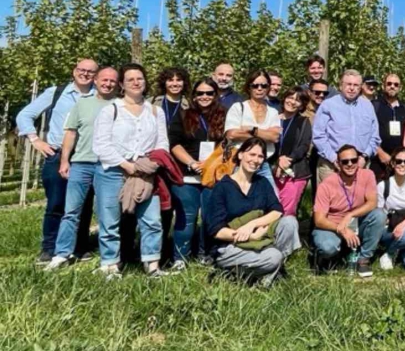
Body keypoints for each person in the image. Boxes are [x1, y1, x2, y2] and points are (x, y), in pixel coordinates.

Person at [16, 58, 97, 264]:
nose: (85, 74)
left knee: (85, 203)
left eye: (90, 71)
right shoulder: (56, 93)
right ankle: (49, 248)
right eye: (82, 70)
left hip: (86, 156)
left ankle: (79, 247)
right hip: (57, 154)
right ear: (74, 71)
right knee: (56, 203)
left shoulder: (100, 94)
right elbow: (25, 116)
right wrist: (36, 141)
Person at [91, 63, 168, 278]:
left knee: (152, 220)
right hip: (113, 171)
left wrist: (149, 164)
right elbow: (101, 145)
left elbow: (162, 143)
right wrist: (127, 165)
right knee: (110, 220)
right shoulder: (111, 110)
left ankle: (152, 265)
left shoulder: (155, 111)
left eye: (140, 79)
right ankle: (110, 264)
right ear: (122, 85)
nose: (136, 82)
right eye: (130, 79)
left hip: (144, 172)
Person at [43, 67, 117, 271]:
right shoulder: (81, 104)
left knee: (107, 213)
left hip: (109, 165)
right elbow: (71, 134)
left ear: (117, 84)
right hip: (81, 163)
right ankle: (61, 253)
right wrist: (65, 160)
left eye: (112, 81)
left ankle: (109, 259)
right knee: (71, 212)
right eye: (104, 80)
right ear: (96, 81)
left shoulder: (120, 106)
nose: (108, 83)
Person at [205, 137, 301, 285]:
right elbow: (216, 230)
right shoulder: (223, 187)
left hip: (259, 238)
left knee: (290, 222)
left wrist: (252, 225)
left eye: (260, 156)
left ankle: (267, 270)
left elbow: (277, 210)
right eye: (252, 154)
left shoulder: (261, 183)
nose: (256, 160)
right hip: (231, 245)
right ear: (240, 155)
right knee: (274, 257)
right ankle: (242, 273)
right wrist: (251, 237)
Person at [167, 78, 227, 268]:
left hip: (214, 176)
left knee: (210, 216)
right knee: (187, 217)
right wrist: (192, 163)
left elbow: (229, 145)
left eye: (209, 93)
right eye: (200, 93)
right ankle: (180, 258)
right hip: (187, 175)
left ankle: (205, 254)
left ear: (215, 95)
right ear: (194, 96)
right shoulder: (183, 116)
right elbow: (174, 144)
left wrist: (212, 164)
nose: (204, 97)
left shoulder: (225, 116)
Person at [311, 144, 384, 278]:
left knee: (379, 215)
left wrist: (350, 214)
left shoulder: (368, 175)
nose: (350, 164)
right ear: (338, 164)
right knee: (327, 246)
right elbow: (319, 220)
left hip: (357, 222)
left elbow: (372, 202)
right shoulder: (326, 184)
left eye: (354, 160)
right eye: (345, 161)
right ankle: (329, 258)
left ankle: (363, 259)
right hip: (332, 226)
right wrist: (342, 229)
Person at [311, 69, 380, 185]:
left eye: (356, 85)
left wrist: (364, 156)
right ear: (341, 85)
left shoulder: (368, 106)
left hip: (360, 165)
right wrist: (333, 158)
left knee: (358, 202)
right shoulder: (328, 105)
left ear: (361, 87)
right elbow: (318, 136)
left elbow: (375, 137)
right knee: (330, 201)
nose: (352, 88)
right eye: (348, 84)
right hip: (331, 165)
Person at [223, 70, 281, 192]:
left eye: (264, 85)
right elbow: (232, 134)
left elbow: (275, 137)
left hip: (263, 163)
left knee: (274, 200)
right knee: (238, 199)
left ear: (268, 88)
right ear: (248, 87)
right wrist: (265, 134)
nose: (259, 89)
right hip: (239, 164)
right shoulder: (238, 108)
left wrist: (251, 129)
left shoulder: (273, 112)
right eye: (255, 85)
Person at [271, 87, 313, 217]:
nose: (292, 102)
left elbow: (304, 146)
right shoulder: (272, 119)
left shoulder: (304, 121)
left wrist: (287, 160)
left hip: (294, 172)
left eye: (297, 100)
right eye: (290, 97)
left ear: (302, 105)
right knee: (269, 208)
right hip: (272, 170)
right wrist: (277, 161)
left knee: (286, 211)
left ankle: (285, 236)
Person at [372, 73, 405, 179]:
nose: (392, 86)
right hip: (378, 160)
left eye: (396, 84)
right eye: (389, 84)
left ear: (400, 88)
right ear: (384, 86)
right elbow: (367, 132)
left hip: (399, 163)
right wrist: (380, 153)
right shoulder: (374, 105)